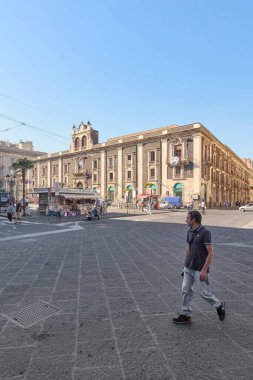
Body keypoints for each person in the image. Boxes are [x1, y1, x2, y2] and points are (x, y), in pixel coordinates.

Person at [173, 210, 225, 324]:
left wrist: (204, 270)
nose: (185, 220)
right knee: (185, 290)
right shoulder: (189, 231)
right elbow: (189, 249)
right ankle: (185, 314)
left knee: (204, 293)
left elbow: (211, 253)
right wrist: (184, 265)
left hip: (200, 269)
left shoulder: (205, 232)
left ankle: (219, 304)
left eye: (187, 218)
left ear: (194, 220)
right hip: (188, 267)